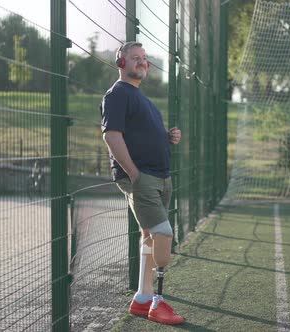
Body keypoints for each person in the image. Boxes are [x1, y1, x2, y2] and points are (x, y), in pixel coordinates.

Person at [100, 41, 184, 325]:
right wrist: (134, 174)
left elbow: (144, 134)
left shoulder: (142, 99)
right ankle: (158, 303)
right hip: (142, 178)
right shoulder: (117, 94)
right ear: (121, 63)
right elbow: (112, 136)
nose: (142, 62)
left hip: (159, 176)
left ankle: (143, 298)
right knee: (163, 233)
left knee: (149, 234)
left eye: (144, 58)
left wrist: (167, 136)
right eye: (135, 58)